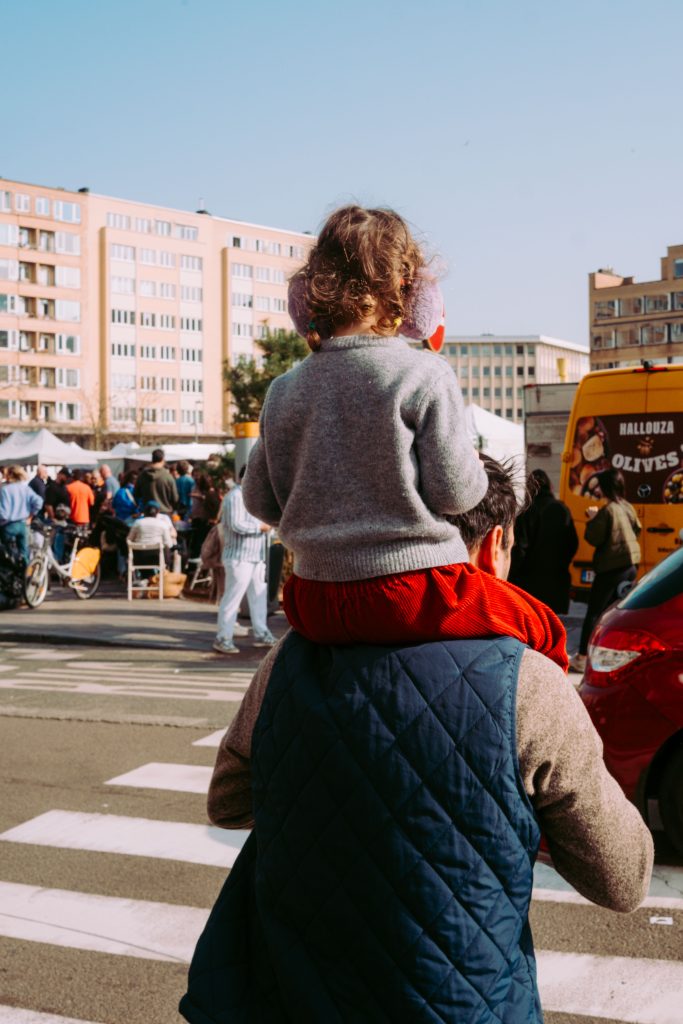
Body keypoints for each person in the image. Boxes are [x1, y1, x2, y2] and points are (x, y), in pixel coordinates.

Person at [180, 454, 653, 1024]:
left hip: (294, 1001)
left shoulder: (291, 658)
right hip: (460, 1007)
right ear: (494, 544)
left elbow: (228, 804)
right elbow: (624, 878)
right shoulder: (528, 682)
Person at [243, 205, 567, 670]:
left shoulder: (284, 390)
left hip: (312, 600)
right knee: (542, 627)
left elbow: (261, 502)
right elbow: (456, 494)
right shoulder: (423, 373)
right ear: (408, 289)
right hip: (412, 592)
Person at [569, 467, 642, 673]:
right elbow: (638, 529)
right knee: (614, 613)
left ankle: (582, 658)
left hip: (612, 567)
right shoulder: (627, 506)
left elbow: (593, 538)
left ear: (606, 487)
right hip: (630, 565)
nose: (597, 489)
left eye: (599, 485)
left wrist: (592, 518)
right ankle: (611, 654)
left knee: (594, 612)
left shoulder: (608, 510)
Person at [213, 466, 275, 655]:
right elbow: (236, 524)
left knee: (259, 595)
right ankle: (223, 636)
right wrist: (261, 527)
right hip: (239, 556)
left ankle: (261, 631)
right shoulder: (235, 497)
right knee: (233, 597)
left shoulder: (250, 497)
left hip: (255, 555)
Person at [509, 468, 578, 613]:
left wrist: (513, 575)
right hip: (558, 580)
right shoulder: (562, 509)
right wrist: (562, 563)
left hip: (531, 583)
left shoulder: (527, 512)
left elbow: (520, 548)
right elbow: (573, 543)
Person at [0, 465, 44, 562]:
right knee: (24, 554)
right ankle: (26, 573)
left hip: (9, 525)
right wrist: (31, 516)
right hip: (23, 525)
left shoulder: (5, 490)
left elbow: (4, 513)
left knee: (7, 554)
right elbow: (39, 502)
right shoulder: (25, 488)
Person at [134, 447, 178, 515]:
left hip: (147, 513)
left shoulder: (142, 476)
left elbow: (136, 494)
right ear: (163, 459)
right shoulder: (168, 477)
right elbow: (175, 498)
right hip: (164, 513)